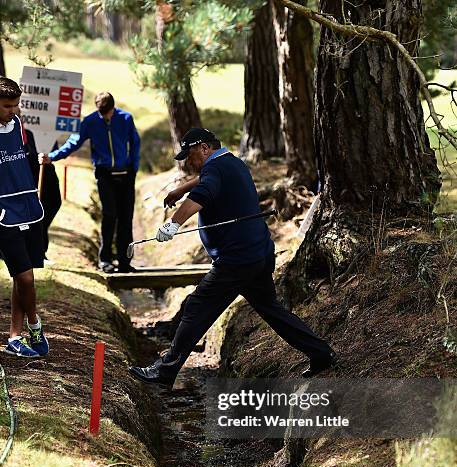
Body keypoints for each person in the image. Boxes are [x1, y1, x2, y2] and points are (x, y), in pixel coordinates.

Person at [129, 128, 335, 389]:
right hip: (258, 253)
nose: (187, 162)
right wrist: (181, 188)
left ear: (204, 148)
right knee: (272, 310)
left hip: (236, 260)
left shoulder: (215, 171)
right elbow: (207, 179)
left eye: (190, 155)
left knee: (196, 307)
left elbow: (203, 194)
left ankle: (165, 371)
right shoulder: (231, 162)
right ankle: (320, 353)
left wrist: (173, 224)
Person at [39, 92, 140, 273]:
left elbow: (135, 142)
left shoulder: (125, 118)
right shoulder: (91, 121)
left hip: (126, 175)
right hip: (104, 175)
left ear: (113, 108)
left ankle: (125, 262)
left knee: (126, 218)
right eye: (101, 113)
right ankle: (105, 260)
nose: (105, 117)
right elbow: (73, 142)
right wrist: (52, 157)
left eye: (107, 113)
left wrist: (134, 167)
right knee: (109, 215)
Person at [0, 77, 49, 358]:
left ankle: (15, 337)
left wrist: (41, 160)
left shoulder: (18, 125)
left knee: (23, 278)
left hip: (29, 207)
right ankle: (35, 325)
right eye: (8, 106)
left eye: (17, 105)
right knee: (26, 278)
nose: (14, 110)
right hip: (4, 214)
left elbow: (23, 158)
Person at [20, 116, 62, 261]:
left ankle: (38, 248)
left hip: (46, 169)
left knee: (53, 203)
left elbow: (54, 148)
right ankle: (34, 250)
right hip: (25, 172)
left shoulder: (43, 127)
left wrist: (49, 154)